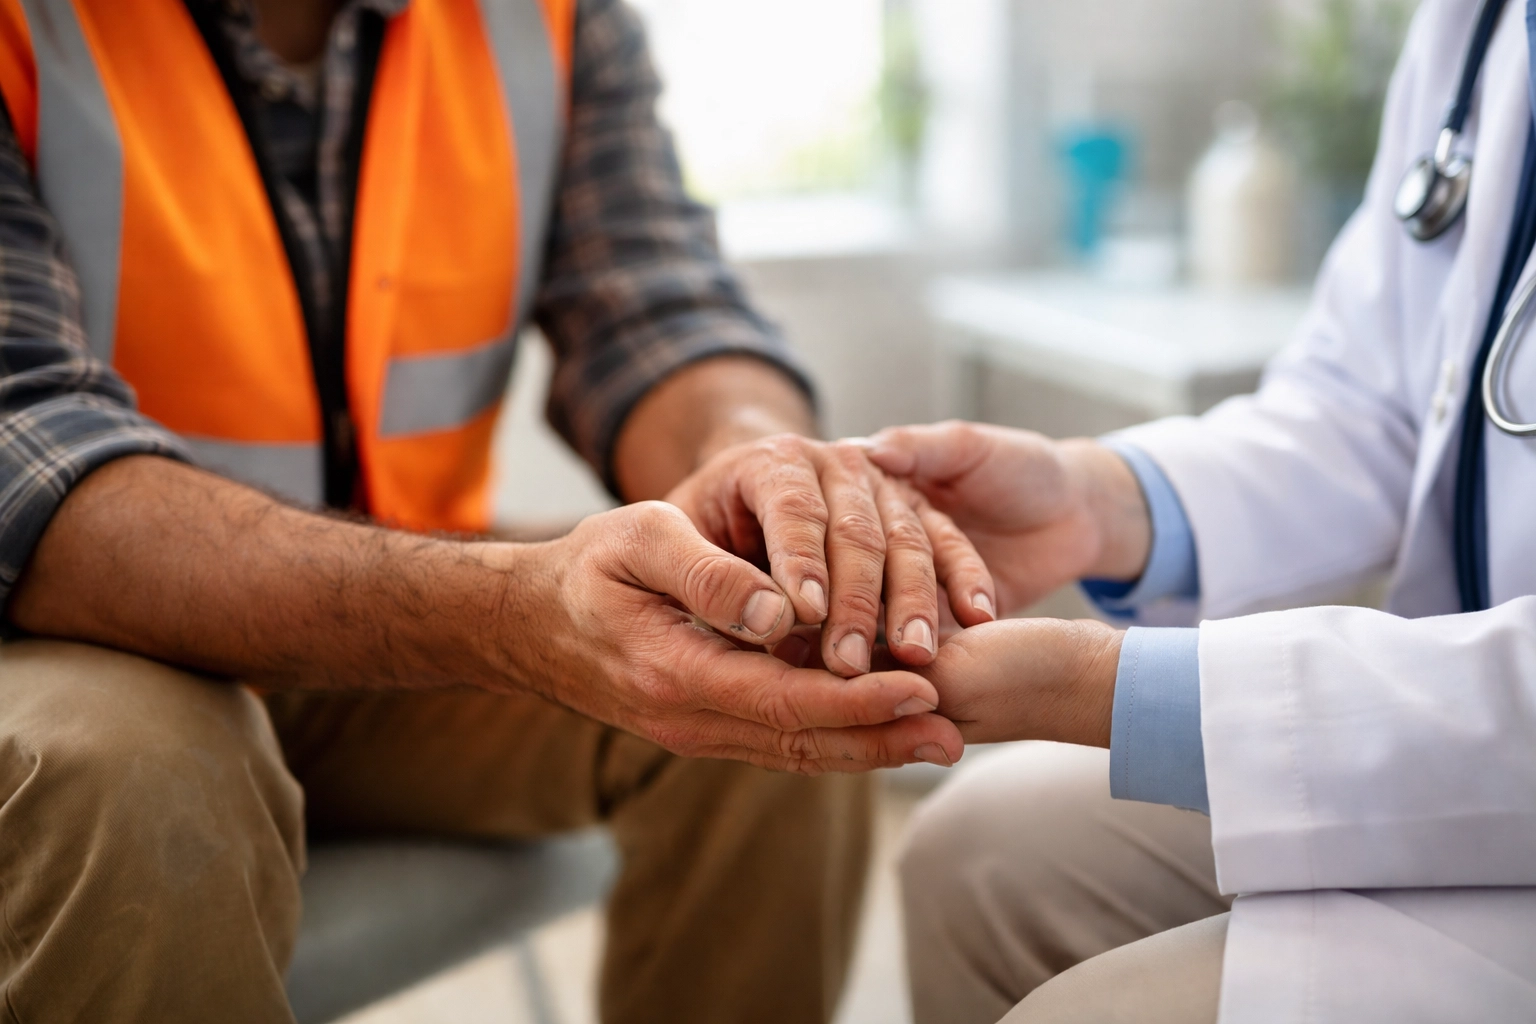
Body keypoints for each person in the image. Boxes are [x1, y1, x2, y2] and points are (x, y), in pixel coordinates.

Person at [0, 1, 996, 1021]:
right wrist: (516, 615)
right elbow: (26, 458)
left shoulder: (545, 18)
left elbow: (654, 300)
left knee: (782, 671)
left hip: (368, 636)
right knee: (141, 774)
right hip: (57, 638)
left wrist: (757, 465)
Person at [872, 0, 1536, 1019]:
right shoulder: (1478, 25)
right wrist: (1095, 498)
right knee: (971, 858)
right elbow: (1375, 402)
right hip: (1455, 733)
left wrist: (1096, 685)